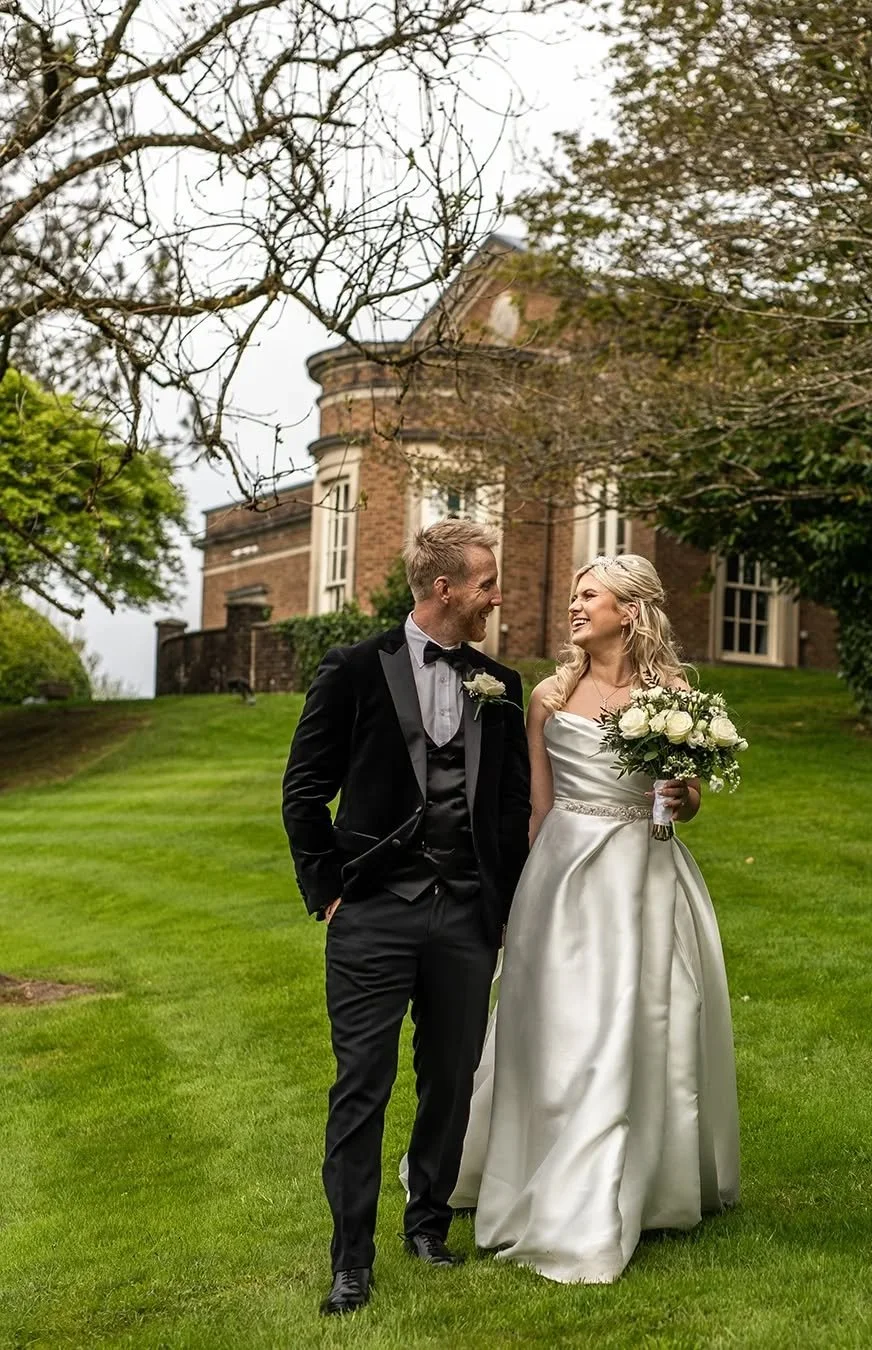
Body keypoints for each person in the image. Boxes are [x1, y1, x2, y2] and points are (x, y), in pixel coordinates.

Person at [453, 553, 740, 1283]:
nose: (575, 607)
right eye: (575, 597)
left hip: (643, 872)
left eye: (589, 597)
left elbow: (689, 798)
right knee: (557, 1021)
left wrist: (680, 798)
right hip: (562, 873)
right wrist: (519, 894)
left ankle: (636, 1183)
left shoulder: (674, 696)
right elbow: (538, 809)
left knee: (641, 1018)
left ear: (629, 611)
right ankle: (532, 1164)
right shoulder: (549, 696)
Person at [281, 520, 530, 1317]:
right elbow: (304, 789)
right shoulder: (355, 668)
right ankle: (350, 1261)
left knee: (451, 1079)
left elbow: (511, 806)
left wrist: (501, 904)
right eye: (487, 583)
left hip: (465, 916)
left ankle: (427, 1223)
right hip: (374, 912)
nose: (497, 596)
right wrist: (327, 889)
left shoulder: (501, 683)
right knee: (362, 1084)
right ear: (445, 588)